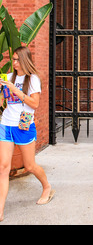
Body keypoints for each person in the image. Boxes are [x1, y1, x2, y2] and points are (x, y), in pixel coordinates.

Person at [0, 46, 55, 222]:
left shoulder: (33, 80)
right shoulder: (8, 77)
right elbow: (5, 101)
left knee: (30, 166)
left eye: (16, 59)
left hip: (23, 125)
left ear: (24, 59)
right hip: (6, 124)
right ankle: (0, 209)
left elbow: (35, 104)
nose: (13, 62)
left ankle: (47, 187)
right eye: (13, 59)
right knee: (3, 167)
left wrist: (17, 91)